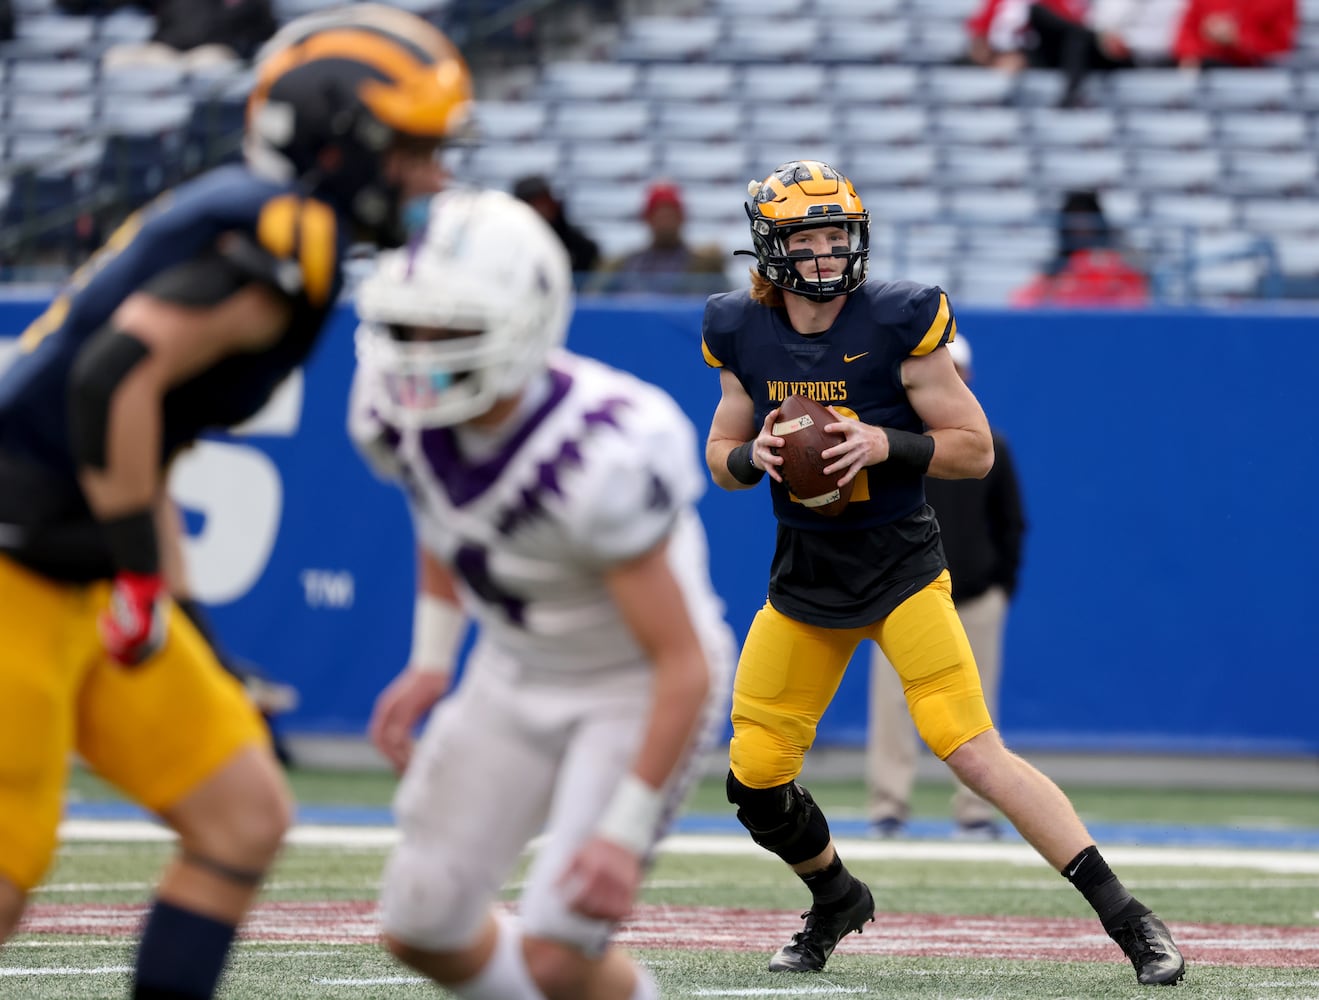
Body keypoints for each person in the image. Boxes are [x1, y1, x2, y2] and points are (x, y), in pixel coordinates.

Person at [0, 7, 473, 998]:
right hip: (18, 561)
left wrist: (185, 618)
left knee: (242, 813)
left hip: (76, 566)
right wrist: (139, 574)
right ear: (342, 142)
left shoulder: (279, 219)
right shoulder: (282, 230)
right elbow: (108, 379)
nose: (431, 178)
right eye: (413, 151)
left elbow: (143, 431)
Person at [701, 159, 1184, 985]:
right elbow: (718, 456)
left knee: (970, 749)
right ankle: (834, 898)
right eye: (805, 238)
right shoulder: (739, 330)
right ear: (767, 249)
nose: (823, 253)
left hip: (898, 568)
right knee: (754, 778)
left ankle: (1130, 918)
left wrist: (887, 442)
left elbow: (974, 449)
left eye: (833, 236)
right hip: (805, 577)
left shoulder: (897, 321)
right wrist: (757, 454)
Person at [349, 186, 735, 1000]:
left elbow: (681, 663)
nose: (419, 351)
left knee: (560, 947)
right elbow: (444, 512)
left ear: (521, 323)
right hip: (514, 670)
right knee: (422, 924)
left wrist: (623, 836)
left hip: (634, 688)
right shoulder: (394, 415)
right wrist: (430, 660)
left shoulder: (598, 456)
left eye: (447, 329)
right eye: (409, 326)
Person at [867, 334, 1027, 840]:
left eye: (956, 371)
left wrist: (998, 586)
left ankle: (975, 812)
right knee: (891, 706)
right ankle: (888, 807)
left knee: (977, 711)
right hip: (901, 598)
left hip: (974, 597)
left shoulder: (991, 447)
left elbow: (1011, 524)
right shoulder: (891, 444)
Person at [1012, 190, 1150, 307]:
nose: (1081, 226)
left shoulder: (1120, 267)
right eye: (1075, 219)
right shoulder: (1054, 271)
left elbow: (1134, 305)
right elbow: (1023, 304)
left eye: (1086, 219)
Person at [591, 181, 728, 296]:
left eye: (670, 216)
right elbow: (593, 299)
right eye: (659, 216)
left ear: (681, 218)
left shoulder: (704, 265)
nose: (665, 223)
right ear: (648, 219)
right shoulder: (625, 264)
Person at [511, 173, 601, 281]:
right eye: (536, 203)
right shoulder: (508, 246)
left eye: (546, 200)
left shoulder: (581, 246)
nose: (545, 208)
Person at [1174, 0, 1296, 68]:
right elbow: (1185, 34)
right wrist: (1191, 54)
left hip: (1252, 72)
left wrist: (1238, 40)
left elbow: (1280, 48)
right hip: (1206, 67)